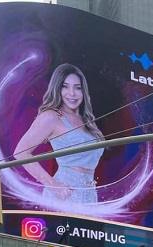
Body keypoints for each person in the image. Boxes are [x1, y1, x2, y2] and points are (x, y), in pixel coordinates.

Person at [14, 63, 104, 205]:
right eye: (65, 86)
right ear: (57, 89)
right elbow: (20, 153)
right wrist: (52, 184)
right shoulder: (51, 117)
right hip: (64, 194)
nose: (72, 93)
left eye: (78, 88)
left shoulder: (87, 120)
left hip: (89, 196)